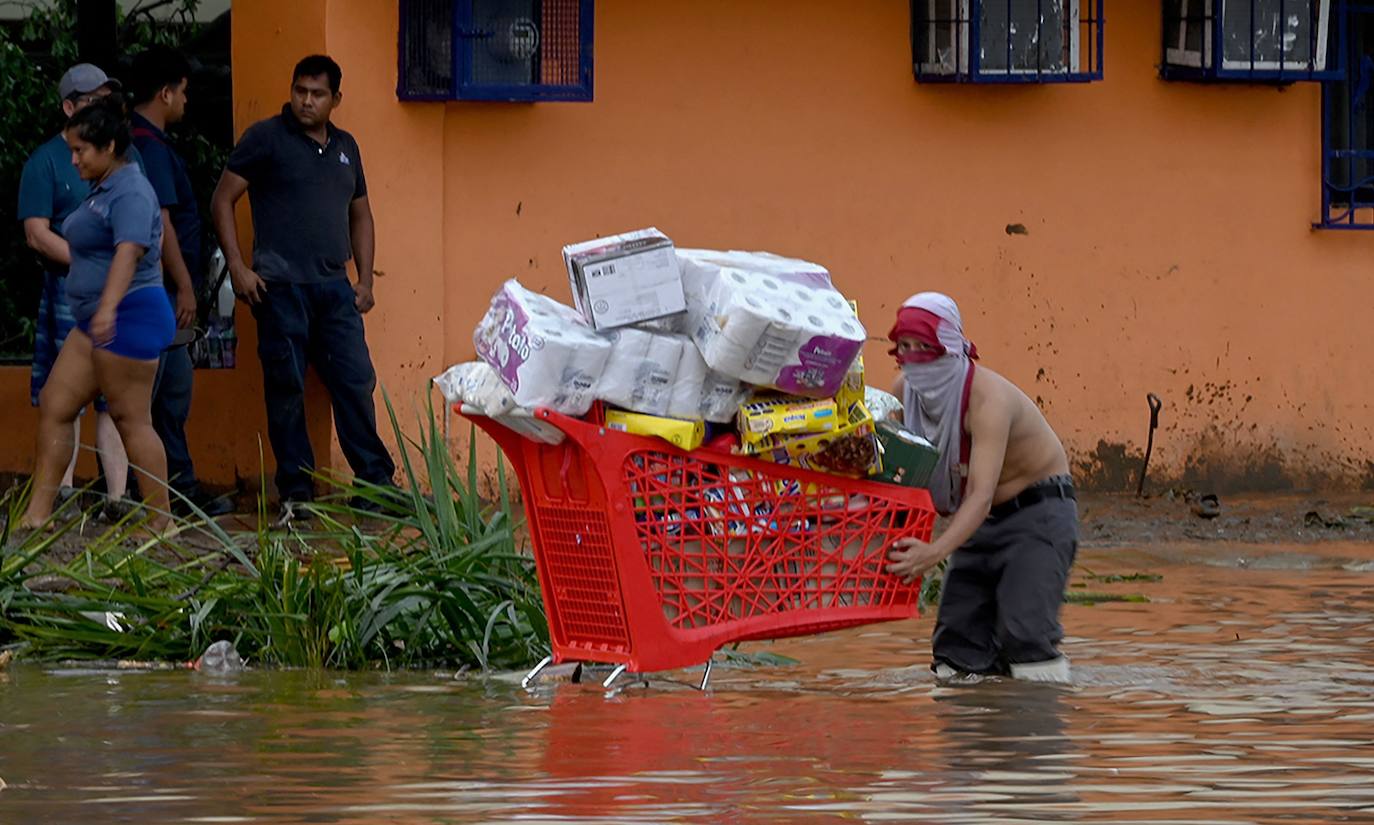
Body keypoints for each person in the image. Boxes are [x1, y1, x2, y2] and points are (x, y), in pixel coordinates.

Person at [210, 54, 395, 523]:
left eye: (317, 94)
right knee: (285, 387)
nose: (306, 101)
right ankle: (296, 491)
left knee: (355, 383)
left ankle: (376, 486)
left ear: (336, 99)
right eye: (300, 91)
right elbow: (222, 199)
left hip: (335, 289)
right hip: (279, 288)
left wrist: (366, 279)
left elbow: (361, 214)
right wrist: (238, 267)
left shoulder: (346, 147)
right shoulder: (265, 139)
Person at [885, 292, 1078, 684]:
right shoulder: (903, 393)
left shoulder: (988, 400)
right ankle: (970, 739)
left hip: (1037, 513)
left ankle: (1040, 728)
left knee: (1025, 636)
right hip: (978, 522)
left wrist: (934, 552)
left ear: (951, 347)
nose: (914, 357)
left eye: (925, 347)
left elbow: (980, 493)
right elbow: (889, 469)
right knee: (956, 646)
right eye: (904, 347)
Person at [21, 98, 176, 531]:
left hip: (127, 317)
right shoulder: (102, 186)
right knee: (55, 403)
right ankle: (37, 515)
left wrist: (107, 309)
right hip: (95, 321)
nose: (72, 160)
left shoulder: (132, 190)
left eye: (80, 151)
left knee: (131, 420)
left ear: (108, 146)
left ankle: (162, 523)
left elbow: (131, 251)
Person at [17, 64, 131, 513]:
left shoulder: (124, 157)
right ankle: (63, 492)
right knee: (66, 392)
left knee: (115, 393)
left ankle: (118, 498)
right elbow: (36, 232)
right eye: (92, 98)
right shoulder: (45, 161)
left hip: (120, 291)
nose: (103, 105)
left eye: (107, 97)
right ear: (68, 107)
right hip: (69, 288)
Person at [129, 46, 232, 517]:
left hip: (163, 289)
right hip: (164, 291)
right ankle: (163, 490)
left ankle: (176, 485)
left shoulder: (146, 144)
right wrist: (185, 286)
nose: (186, 103)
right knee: (163, 394)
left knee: (170, 393)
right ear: (165, 92)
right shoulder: (149, 146)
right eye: (184, 93)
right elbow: (164, 222)